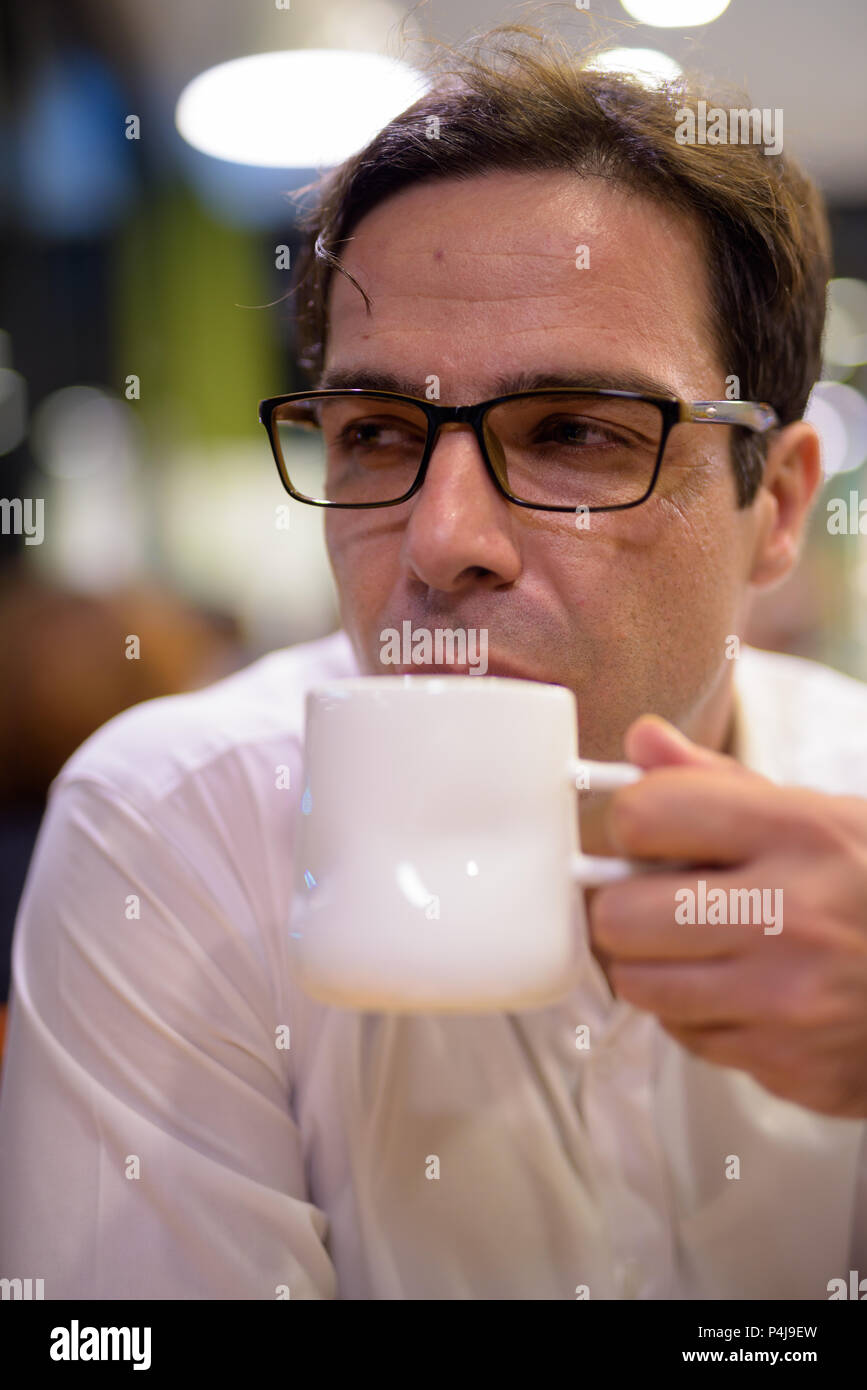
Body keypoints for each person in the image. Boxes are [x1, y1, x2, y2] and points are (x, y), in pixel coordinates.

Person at [1, 28, 866, 1300]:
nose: (442, 539)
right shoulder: (181, 831)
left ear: (780, 506)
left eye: (573, 431)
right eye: (375, 432)